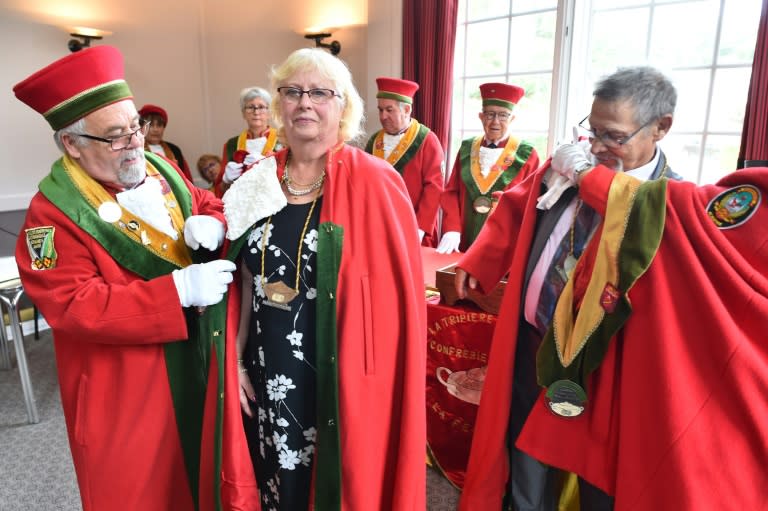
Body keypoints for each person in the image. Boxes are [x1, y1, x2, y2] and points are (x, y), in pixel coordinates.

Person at [12, 46, 257, 511]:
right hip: (126, 392)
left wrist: (215, 220)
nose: (135, 143)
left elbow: (201, 201)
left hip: (197, 361)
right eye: (116, 137)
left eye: (135, 128)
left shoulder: (159, 166)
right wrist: (176, 291)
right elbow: (73, 305)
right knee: (140, 491)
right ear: (72, 144)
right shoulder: (51, 215)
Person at [453, 67, 683, 511]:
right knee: (526, 457)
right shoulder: (570, 166)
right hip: (533, 340)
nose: (596, 147)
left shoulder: (670, 201)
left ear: (661, 127)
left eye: (613, 136)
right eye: (592, 130)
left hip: (605, 366)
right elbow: (517, 204)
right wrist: (480, 258)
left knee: (600, 474)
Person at [220, 48, 427, 510]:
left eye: (319, 93)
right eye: (292, 92)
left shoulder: (376, 181)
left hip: (340, 373)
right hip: (267, 371)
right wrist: (232, 364)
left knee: (339, 482)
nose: (304, 104)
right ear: (279, 105)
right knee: (274, 479)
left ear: (343, 107)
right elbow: (240, 285)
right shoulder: (256, 182)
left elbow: (398, 302)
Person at [516, 150, 768, 509]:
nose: (600, 145)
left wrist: (586, 172)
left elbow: (666, 210)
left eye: (616, 136)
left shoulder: (747, 200)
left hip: (707, 372)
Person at [437, 82, 540, 254]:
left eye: (503, 115)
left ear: (512, 119)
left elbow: (530, 205)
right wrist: (452, 228)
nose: (495, 122)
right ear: (481, 116)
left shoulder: (527, 154)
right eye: (490, 114)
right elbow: (451, 192)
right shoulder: (466, 148)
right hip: (461, 240)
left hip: (503, 244)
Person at [364, 77, 444, 246]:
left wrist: (420, 227)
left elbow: (435, 187)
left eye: (389, 110)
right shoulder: (374, 141)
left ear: (407, 109)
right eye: (380, 110)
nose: (383, 116)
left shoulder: (427, 140)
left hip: (415, 229)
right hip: (378, 227)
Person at [213, 86, 282, 198]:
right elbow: (219, 191)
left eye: (261, 107)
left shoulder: (283, 139)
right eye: (250, 107)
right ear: (243, 113)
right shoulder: (231, 144)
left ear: (269, 112)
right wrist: (226, 180)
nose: (256, 112)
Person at [138, 103, 193, 181]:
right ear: (141, 128)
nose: (155, 129)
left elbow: (187, 179)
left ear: (163, 128)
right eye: (151, 125)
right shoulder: (137, 150)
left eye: (159, 125)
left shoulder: (174, 149)